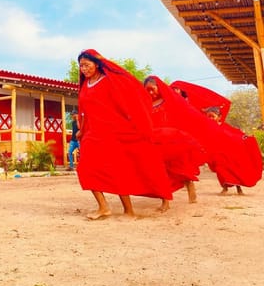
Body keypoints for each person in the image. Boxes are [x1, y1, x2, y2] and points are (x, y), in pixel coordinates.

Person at [76, 49, 172, 220]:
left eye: (86, 65)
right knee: (85, 168)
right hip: (92, 133)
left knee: (118, 169)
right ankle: (103, 207)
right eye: (81, 65)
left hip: (113, 131)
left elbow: (128, 100)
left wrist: (134, 122)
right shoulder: (85, 85)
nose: (83, 68)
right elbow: (84, 112)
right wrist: (81, 131)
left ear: (97, 64)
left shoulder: (110, 81)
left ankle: (129, 211)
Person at [143, 76, 205, 211]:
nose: (151, 93)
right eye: (147, 91)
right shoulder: (145, 104)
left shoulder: (170, 100)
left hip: (173, 141)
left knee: (181, 169)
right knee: (160, 172)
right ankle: (165, 201)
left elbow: (185, 116)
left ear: (159, 87)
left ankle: (190, 186)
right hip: (156, 142)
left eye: (152, 90)